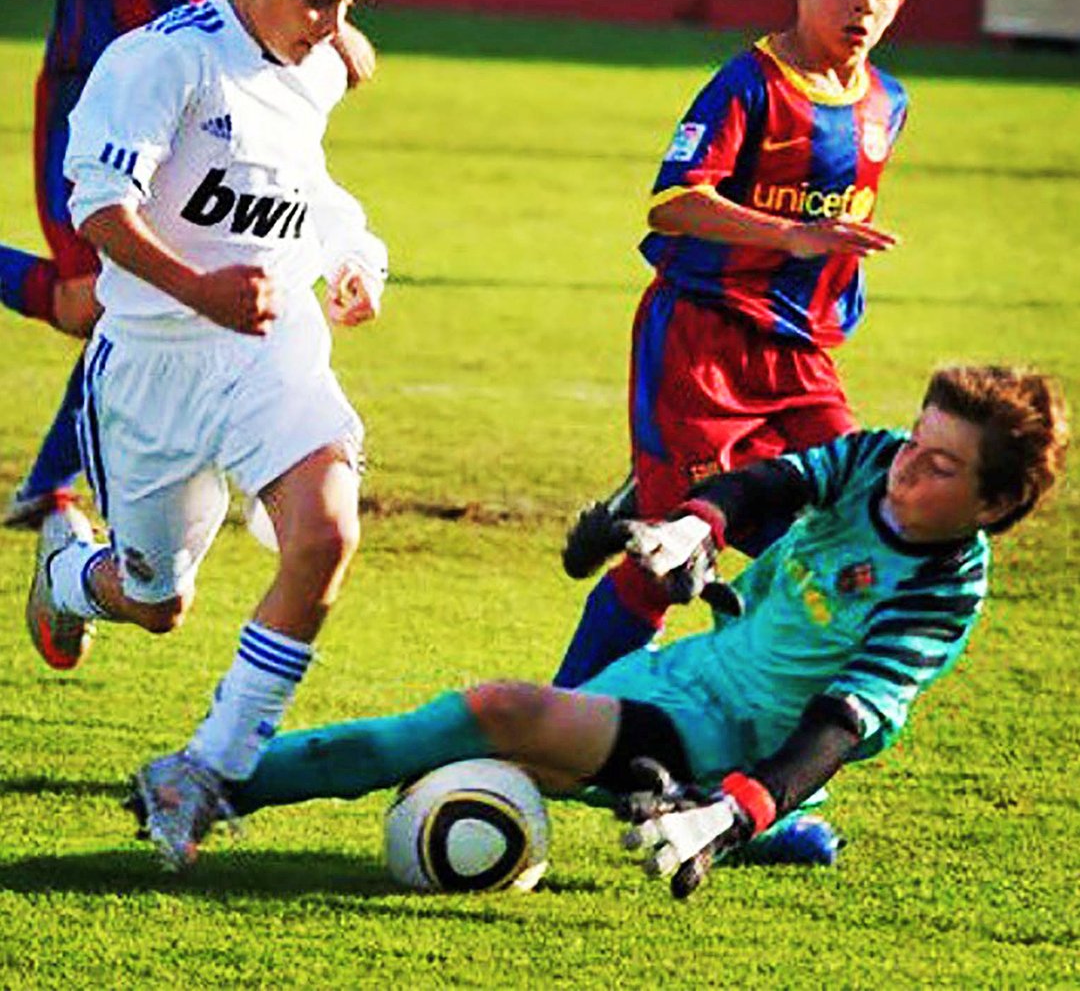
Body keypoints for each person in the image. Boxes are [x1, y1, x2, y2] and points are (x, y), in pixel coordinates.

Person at [170, 365, 1066, 893]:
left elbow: (841, 720)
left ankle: (215, 785)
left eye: (940, 466)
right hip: (682, 673)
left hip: (726, 734)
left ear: (992, 505)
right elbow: (771, 483)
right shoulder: (873, 458)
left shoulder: (940, 594)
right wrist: (698, 525)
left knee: (494, 713)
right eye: (914, 443)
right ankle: (704, 806)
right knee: (478, 758)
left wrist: (733, 811)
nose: (906, 467)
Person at [25, 0, 397, 872]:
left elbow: (303, 178)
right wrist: (200, 289)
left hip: (269, 350)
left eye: (350, 1)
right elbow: (100, 210)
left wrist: (352, 260)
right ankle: (71, 572)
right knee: (157, 604)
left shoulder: (315, 56)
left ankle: (205, 769)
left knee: (326, 533)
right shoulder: (156, 64)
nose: (336, 26)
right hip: (152, 363)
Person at [0, 0, 376, 531]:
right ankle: (51, 483)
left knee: (117, 299)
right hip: (89, 103)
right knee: (88, 300)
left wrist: (338, 28)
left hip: (198, 126)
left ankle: (48, 487)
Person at [554, 0, 915, 689]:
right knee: (678, 559)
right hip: (703, 343)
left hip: (803, 357)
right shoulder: (749, 84)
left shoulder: (888, 102)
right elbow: (673, 202)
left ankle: (650, 510)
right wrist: (790, 234)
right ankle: (564, 717)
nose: (866, 2)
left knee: (849, 521)